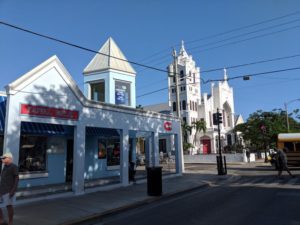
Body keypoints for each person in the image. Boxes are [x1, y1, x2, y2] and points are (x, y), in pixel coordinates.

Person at [0, 152, 19, 225]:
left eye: (4, 158)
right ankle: (1, 219)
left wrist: (13, 191)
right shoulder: (4, 166)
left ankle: (10, 222)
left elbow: (16, 179)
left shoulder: (14, 167)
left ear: (9, 158)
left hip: (8, 191)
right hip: (1, 190)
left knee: (9, 207)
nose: (2, 159)